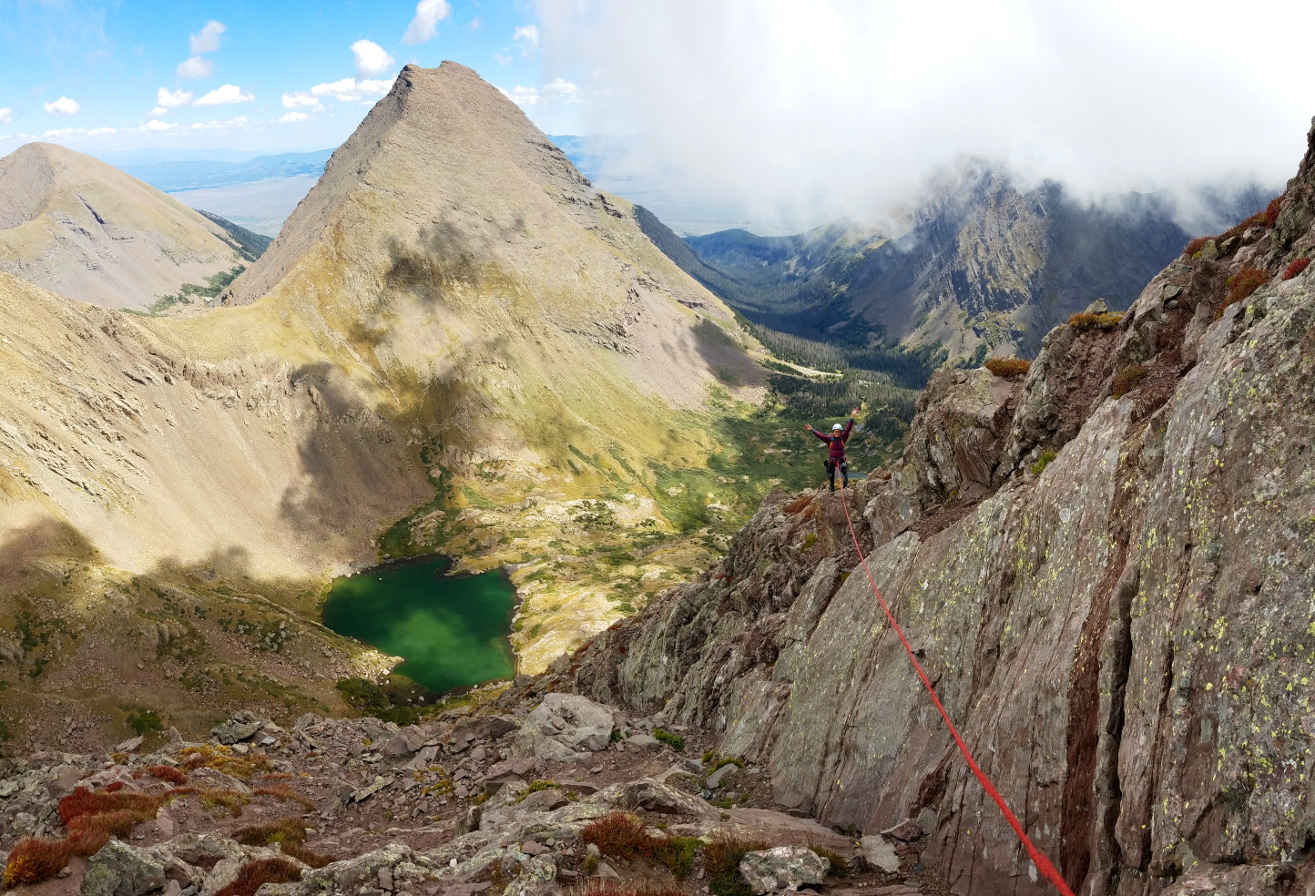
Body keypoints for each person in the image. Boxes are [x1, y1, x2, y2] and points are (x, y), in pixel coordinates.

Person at [805, 407, 860, 491]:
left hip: (841, 460)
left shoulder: (843, 437)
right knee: (831, 476)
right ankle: (832, 491)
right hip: (832, 461)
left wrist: (852, 416)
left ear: (840, 432)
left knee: (844, 471)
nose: (837, 433)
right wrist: (813, 430)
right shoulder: (829, 439)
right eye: (835, 432)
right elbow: (820, 436)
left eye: (838, 432)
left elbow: (848, 428)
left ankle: (845, 488)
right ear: (833, 432)